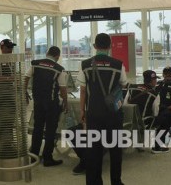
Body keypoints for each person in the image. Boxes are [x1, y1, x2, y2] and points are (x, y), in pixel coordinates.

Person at [76, 33, 127, 185]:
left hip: (94, 114)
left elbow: (83, 91)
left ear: (94, 46)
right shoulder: (118, 64)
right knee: (115, 150)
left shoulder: (85, 64)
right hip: (113, 115)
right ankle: (116, 181)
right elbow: (124, 84)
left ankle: (94, 181)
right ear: (110, 46)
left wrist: (82, 112)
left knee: (94, 150)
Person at [24, 46, 68, 167]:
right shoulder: (59, 69)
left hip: (38, 102)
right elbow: (63, 88)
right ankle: (47, 158)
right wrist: (65, 102)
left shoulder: (35, 64)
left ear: (47, 53)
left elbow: (26, 77)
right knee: (50, 131)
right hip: (52, 103)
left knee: (38, 128)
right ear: (57, 56)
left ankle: (33, 156)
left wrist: (24, 92)